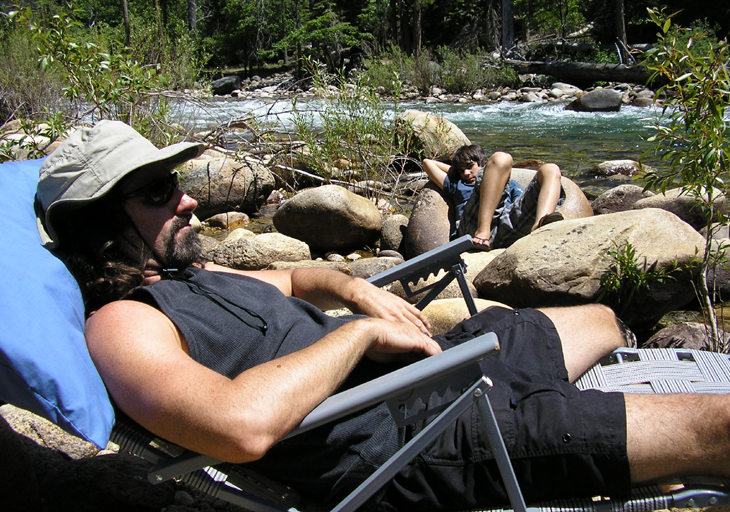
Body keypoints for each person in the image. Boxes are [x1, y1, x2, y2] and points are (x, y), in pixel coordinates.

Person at [37, 121, 730, 511]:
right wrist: (362, 333)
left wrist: (356, 289)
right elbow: (238, 427)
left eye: (179, 184)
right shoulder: (124, 325)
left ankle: (598, 440)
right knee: (716, 426)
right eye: (161, 192)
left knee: (603, 319)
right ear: (103, 222)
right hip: (416, 446)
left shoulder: (198, 270)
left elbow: (299, 274)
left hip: (430, 374)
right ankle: (587, 443)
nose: (188, 201)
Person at [423, 144, 565, 250]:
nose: (466, 173)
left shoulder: (512, 184)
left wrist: (491, 170)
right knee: (502, 158)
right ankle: (483, 230)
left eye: (469, 166)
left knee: (551, 169)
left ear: (483, 163)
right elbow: (427, 163)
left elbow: (519, 205)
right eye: (461, 171)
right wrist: (456, 168)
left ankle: (540, 227)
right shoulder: (458, 185)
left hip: (505, 228)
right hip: (473, 229)